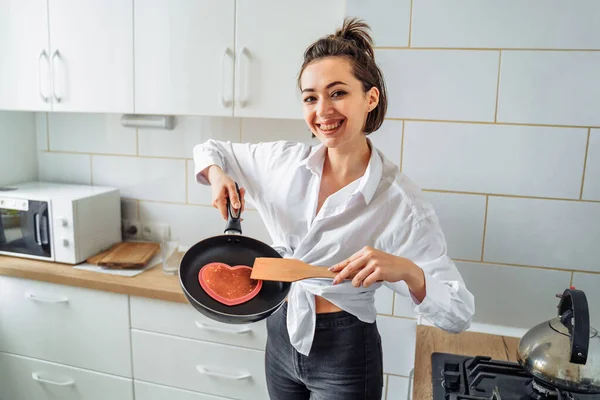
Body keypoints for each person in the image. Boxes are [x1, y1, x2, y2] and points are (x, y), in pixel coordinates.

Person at [193, 17, 475, 400]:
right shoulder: (283, 162)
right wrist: (217, 175)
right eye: (311, 97)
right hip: (281, 330)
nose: (322, 110)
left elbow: (458, 312)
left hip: (345, 351)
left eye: (337, 93)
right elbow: (212, 149)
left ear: (370, 98)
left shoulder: (399, 201)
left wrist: (406, 270)